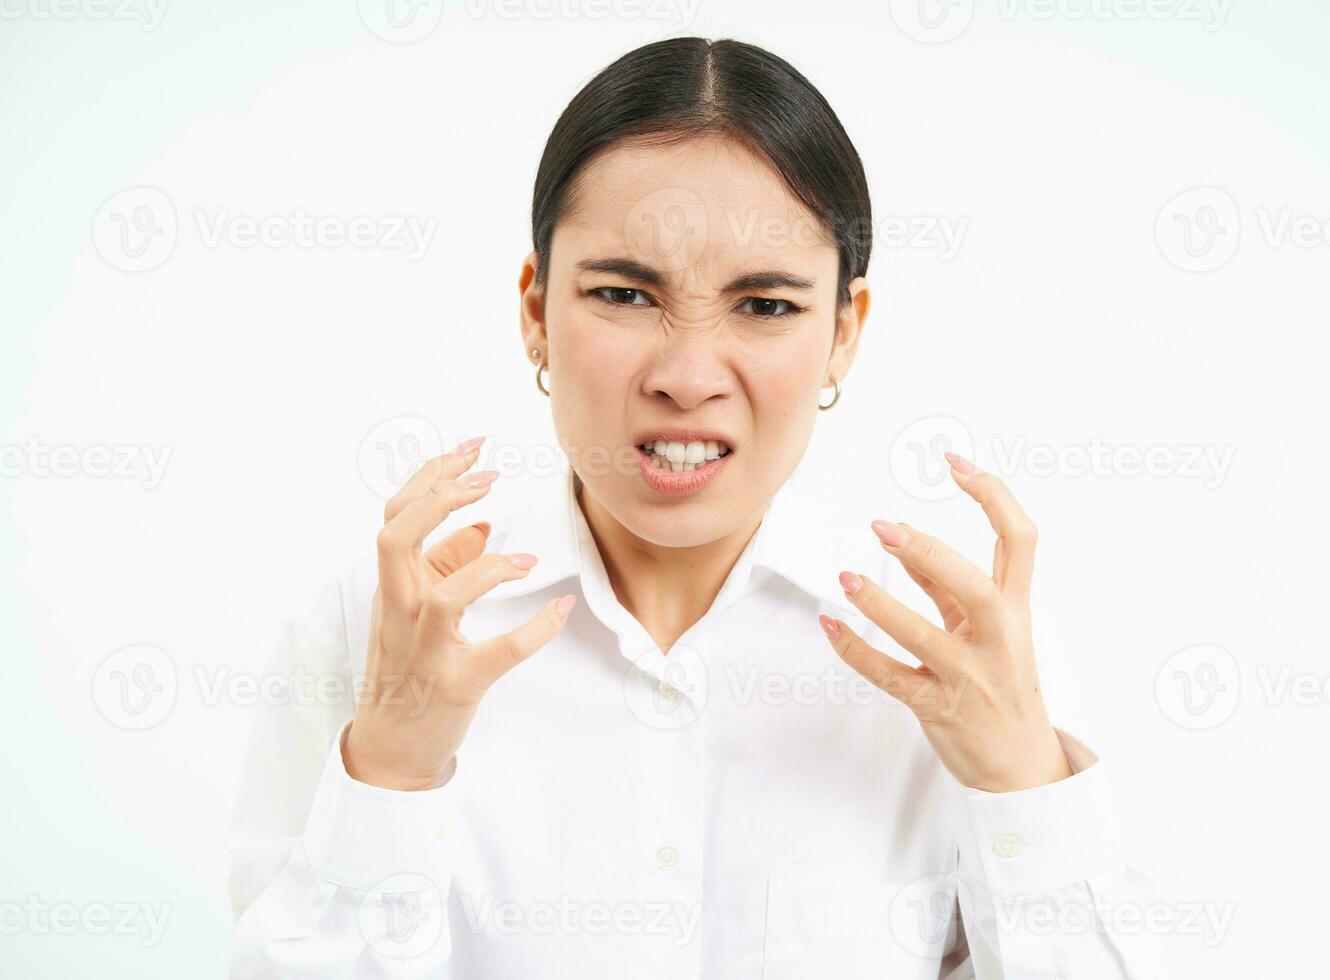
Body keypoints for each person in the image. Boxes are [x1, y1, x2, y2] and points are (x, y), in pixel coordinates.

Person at [228, 36, 1163, 978]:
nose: (685, 377)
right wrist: (390, 775)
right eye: (625, 294)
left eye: (764, 307)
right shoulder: (376, 628)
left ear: (844, 333)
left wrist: (1024, 787)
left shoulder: (960, 654)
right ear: (536, 311)